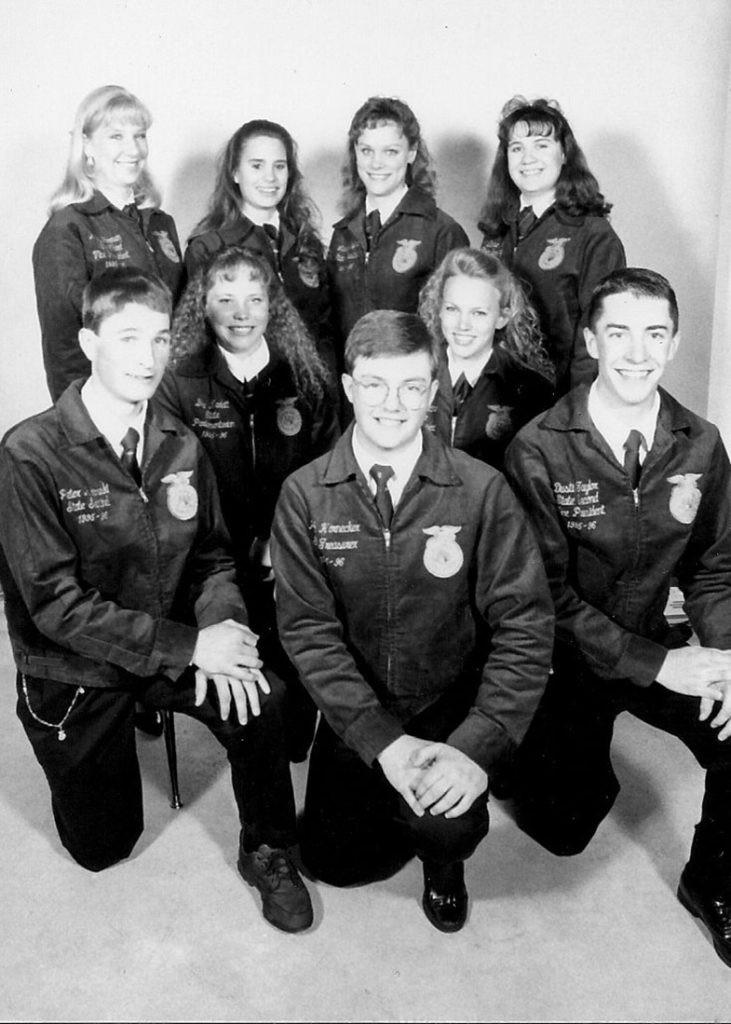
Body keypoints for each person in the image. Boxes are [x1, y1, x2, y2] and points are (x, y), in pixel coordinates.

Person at [0, 267, 313, 934]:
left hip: (170, 640)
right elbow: (54, 604)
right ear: (89, 343)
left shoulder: (178, 441)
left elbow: (212, 558)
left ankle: (269, 849)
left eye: (160, 340)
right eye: (127, 339)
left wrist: (222, 631)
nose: (146, 359)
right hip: (77, 669)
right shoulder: (30, 455)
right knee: (102, 848)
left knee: (264, 698)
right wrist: (189, 646)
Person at [270, 309, 554, 932]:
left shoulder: (481, 491)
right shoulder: (305, 495)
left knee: (444, 825)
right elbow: (308, 635)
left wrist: (478, 747)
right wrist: (382, 743)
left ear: (434, 391)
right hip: (360, 706)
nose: (392, 404)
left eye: (411, 386)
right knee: (335, 864)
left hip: (449, 701)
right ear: (348, 388)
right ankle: (386, 793)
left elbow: (526, 627)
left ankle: (443, 863)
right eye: (374, 384)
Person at [503, 268, 731, 967]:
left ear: (673, 342)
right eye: (620, 333)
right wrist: (661, 663)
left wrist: (724, 662)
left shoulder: (699, 442)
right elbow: (544, 598)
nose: (637, 353)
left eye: (654, 334)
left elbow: (713, 569)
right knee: (563, 828)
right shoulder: (538, 447)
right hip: (568, 659)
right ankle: (535, 758)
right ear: (592, 340)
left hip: (656, 642)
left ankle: (711, 881)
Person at [156, 245, 339, 761]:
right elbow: (173, 482)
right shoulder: (179, 382)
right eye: (226, 299)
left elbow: (328, 474)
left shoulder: (304, 375)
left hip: (292, 551)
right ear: (203, 305)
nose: (241, 314)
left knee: (295, 736)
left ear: (271, 306)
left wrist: (286, 545)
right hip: (209, 558)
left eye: (254, 299)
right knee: (249, 708)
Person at [33, 85, 185, 403]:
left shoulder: (161, 224)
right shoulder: (67, 229)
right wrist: (85, 423)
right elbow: (64, 347)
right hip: (106, 410)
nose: (133, 149)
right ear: (87, 145)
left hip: (168, 400)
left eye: (140, 135)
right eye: (116, 136)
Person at [479, 95, 625, 395]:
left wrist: (575, 410)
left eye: (541, 146)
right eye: (516, 148)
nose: (527, 159)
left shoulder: (593, 235)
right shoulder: (497, 231)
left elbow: (601, 333)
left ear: (564, 155)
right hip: (494, 397)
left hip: (557, 400)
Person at [184, 119, 334, 378]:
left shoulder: (306, 242)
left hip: (312, 391)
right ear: (235, 173)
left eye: (279, 166)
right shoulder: (208, 248)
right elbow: (199, 341)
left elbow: (327, 329)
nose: (270, 178)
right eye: (257, 166)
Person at [328, 96, 469, 366]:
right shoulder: (343, 234)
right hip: (354, 390)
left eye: (390, 151)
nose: (375, 164)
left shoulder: (441, 231)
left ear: (412, 152)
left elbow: (454, 335)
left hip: (411, 390)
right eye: (366, 150)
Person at [419, 247, 555, 470]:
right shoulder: (415, 373)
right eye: (453, 309)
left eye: (478, 313)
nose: (463, 325)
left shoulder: (533, 390)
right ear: (439, 309)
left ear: (502, 316)